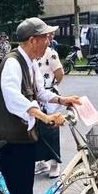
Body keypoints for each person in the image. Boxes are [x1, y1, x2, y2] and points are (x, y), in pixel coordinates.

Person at [0, 17, 80, 194]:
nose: (49, 42)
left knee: (23, 187)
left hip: (24, 135)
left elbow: (39, 92)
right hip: (11, 136)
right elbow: (13, 97)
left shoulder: (30, 62)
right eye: (46, 37)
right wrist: (42, 115)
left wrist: (62, 100)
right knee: (19, 189)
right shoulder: (13, 62)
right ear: (33, 40)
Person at [34, 34, 65, 178]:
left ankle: (54, 164)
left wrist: (52, 86)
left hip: (49, 95)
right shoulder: (32, 55)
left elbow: (60, 74)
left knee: (51, 131)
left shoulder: (51, 53)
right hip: (36, 96)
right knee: (38, 131)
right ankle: (41, 161)